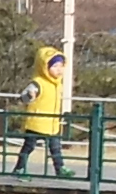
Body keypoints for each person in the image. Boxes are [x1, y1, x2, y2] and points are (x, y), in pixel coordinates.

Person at [12, 43, 72, 175]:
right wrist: (30, 96)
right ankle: (19, 168)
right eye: (55, 66)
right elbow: (23, 98)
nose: (59, 70)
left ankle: (60, 168)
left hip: (52, 123)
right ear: (45, 67)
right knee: (29, 146)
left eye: (61, 66)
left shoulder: (57, 84)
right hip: (36, 122)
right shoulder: (37, 82)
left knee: (56, 147)